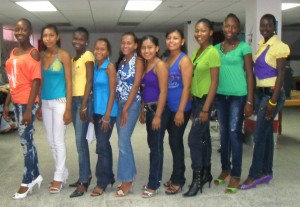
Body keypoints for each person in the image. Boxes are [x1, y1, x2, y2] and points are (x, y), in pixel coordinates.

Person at [240, 14, 290, 190]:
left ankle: (254, 175)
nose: (265, 28)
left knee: (259, 134)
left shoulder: (279, 47)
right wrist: (253, 97)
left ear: (274, 26)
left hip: (271, 96)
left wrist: (273, 102)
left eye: (268, 25)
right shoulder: (262, 46)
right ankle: (266, 171)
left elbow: (281, 75)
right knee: (267, 134)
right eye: (262, 25)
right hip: (261, 95)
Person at [213, 13, 254, 194]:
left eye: (234, 26)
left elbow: (250, 75)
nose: (230, 30)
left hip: (238, 96)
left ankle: (236, 175)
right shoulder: (216, 48)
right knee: (223, 133)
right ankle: (225, 169)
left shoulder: (244, 47)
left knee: (234, 133)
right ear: (223, 27)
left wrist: (250, 100)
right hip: (221, 96)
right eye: (227, 26)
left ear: (239, 29)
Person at [4, 18, 43, 199]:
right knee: (27, 140)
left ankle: (26, 181)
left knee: (25, 142)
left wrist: (28, 109)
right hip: (16, 100)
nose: (19, 32)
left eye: (23, 30)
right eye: (17, 29)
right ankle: (35, 175)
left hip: (27, 103)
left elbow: (36, 81)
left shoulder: (33, 53)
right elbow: (13, 80)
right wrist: (6, 104)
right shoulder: (13, 51)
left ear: (30, 31)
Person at [183, 18, 220, 197]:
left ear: (211, 32)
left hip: (206, 101)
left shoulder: (212, 52)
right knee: (203, 137)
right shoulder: (197, 52)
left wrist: (205, 109)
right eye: (197, 30)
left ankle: (197, 180)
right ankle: (206, 173)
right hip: (196, 100)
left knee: (193, 139)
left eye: (203, 30)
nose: (198, 34)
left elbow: (214, 82)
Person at [39, 24, 72, 193]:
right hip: (45, 102)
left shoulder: (64, 56)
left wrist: (68, 108)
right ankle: (63, 172)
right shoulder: (41, 56)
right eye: (45, 35)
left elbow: (69, 82)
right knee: (51, 142)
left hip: (60, 102)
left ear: (57, 37)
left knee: (58, 140)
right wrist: (38, 103)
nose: (48, 38)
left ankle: (58, 177)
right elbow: (41, 81)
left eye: (51, 35)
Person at [162, 29, 193, 195]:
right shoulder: (167, 59)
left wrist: (180, 110)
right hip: (169, 108)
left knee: (176, 141)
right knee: (173, 143)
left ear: (182, 41)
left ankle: (179, 180)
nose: (171, 40)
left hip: (181, 109)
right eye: (169, 37)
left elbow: (187, 87)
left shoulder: (184, 60)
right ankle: (176, 175)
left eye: (175, 38)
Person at [139, 35, 168, 198]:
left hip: (159, 109)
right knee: (153, 145)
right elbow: (145, 90)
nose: (147, 50)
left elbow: (164, 91)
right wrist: (144, 110)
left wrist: (157, 115)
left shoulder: (160, 65)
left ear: (157, 48)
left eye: (150, 47)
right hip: (149, 109)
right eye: (144, 48)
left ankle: (153, 183)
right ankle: (154, 179)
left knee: (156, 147)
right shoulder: (146, 64)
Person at [115, 32, 144, 197]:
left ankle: (127, 180)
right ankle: (129, 174)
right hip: (120, 104)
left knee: (123, 142)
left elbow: (136, 85)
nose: (125, 45)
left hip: (131, 105)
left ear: (135, 45)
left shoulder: (138, 61)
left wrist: (126, 108)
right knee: (123, 142)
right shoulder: (122, 61)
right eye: (123, 42)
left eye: (129, 43)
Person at [90, 38, 118, 196]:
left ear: (108, 52)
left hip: (108, 112)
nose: (99, 51)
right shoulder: (95, 66)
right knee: (104, 145)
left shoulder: (110, 67)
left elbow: (113, 92)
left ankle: (102, 181)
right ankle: (110, 176)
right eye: (97, 48)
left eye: (102, 49)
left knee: (101, 146)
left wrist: (107, 115)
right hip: (97, 111)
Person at [69, 27, 94, 198]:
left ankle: (84, 182)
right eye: (75, 38)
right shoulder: (73, 59)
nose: (77, 41)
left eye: (81, 39)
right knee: (81, 142)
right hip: (74, 101)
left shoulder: (88, 56)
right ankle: (85, 175)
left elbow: (89, 80)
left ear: (86, 41)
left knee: (79, 142)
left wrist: (84, 104)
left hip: (83, 102)